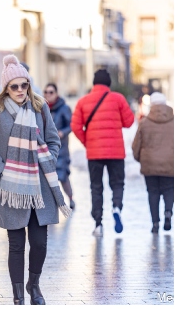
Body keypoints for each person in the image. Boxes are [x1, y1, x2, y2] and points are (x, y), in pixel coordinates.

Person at [0, 55, 70, 305]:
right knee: (17, 244)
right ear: (6, 88)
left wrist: (48, 160)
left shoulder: (40, 107)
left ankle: (34, 284)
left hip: (40, 185)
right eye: (15, 86)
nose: (20, 90)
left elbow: (53, 140)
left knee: (40, 243)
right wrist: (3, 172)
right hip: (11, 187)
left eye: (24, 85)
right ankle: (19, 294)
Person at [71, 69, 136, 235]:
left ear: (94, 83)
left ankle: (98, 224)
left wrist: (87, 142)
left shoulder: (83, 101)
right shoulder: (118, 98)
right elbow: (129, 122)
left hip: (94, 154)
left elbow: (75, 126)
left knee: (96, 187)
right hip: (116, 152)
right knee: (117, 183)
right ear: (109, 83)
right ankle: (116, 207)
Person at [133, 92, 174, 233]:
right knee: (169, 189)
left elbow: (136, 145)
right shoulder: (174, 122)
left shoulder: (144, 123)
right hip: (170, 162)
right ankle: (168, 211)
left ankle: (155, 223)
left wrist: (139, 158)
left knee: (153, 192)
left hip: (149, 163)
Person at [43, 83, 75, 210]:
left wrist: (62, 132)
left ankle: (70, 198)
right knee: (48, 177)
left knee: (62, 176)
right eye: (46, 92)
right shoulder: (42, 108)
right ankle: (52, 203)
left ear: (56, 94)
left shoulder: (64, 108)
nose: (48, 95)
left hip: (61, 148)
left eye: (51, 92)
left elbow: (71, 125)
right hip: (46, 149)